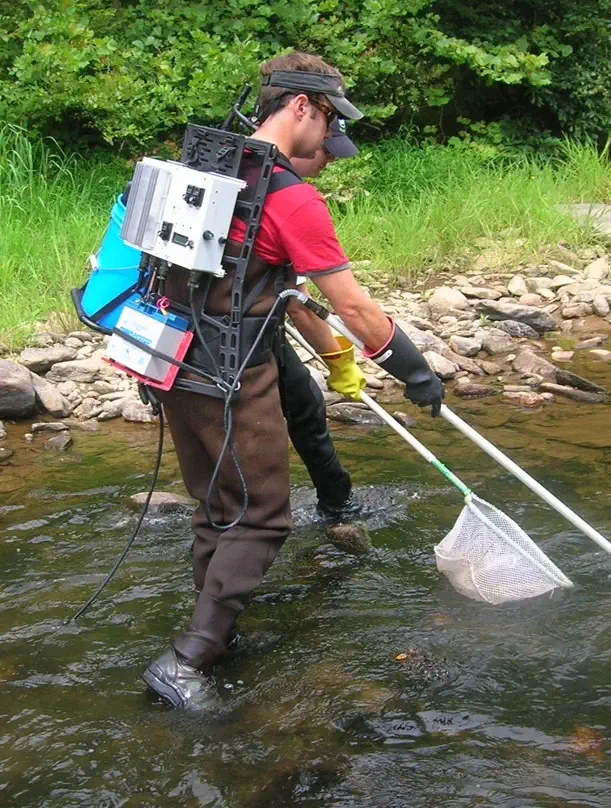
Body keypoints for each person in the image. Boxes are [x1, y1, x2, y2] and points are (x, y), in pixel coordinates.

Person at [141, 51, 443, 711]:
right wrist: (414, 372)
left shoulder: (208, 165)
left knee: (219, 508)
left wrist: (334, 361)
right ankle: (188, 661)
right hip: (232, 373)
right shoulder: (289, 196)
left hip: (168, 361)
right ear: (301, 105)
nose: (328, 134)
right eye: (329, 115)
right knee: (261, 518)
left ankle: (218, 634)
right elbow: (356, 308)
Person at [276, 119, 363, 520]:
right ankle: (336, 504)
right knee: (304, 406)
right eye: (327, 149)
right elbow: (299, 304)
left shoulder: (244, 170)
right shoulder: (285, 194)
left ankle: (337, 501)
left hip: (206, 329)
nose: (330, 160)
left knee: (305, 402)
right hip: (238, 342)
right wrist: (339, 362)